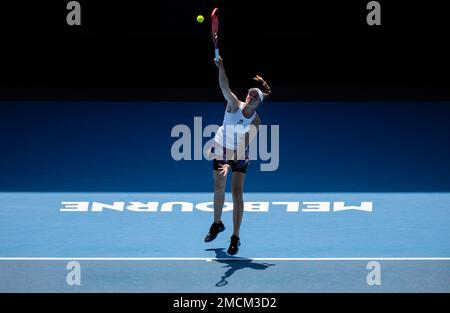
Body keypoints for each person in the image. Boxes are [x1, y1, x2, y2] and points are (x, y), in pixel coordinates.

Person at [204, 56, 271, 255]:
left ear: (258, 103)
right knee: (218, 187)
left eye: (254, 96)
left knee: (237, 194)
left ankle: (235, 237)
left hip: (239, 153)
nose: (249, 96)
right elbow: (224, 85)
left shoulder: (256, 121)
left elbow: (243, 144)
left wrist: (230, 164)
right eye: (249, 93)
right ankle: (217, 224)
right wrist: (221, 66)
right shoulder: (234, 104)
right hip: (221, 147)